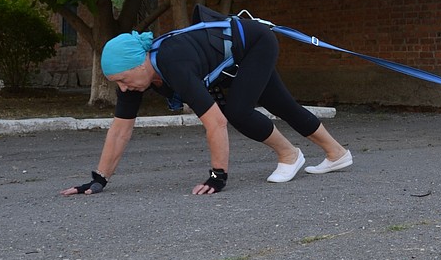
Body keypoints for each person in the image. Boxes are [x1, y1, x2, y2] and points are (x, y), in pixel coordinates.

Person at [60, 13, 352, 196]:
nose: (122, 88)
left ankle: (290, 155)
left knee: (237, 111)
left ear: (139, 63)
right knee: (282, 104)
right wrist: (99, 179)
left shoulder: (173, 63)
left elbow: (216, 122)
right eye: (116, 83)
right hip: (233, 59)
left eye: (123, 79)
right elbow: (120, 131)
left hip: (255, 44)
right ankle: (336, 153)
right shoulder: (135, 78)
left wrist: (218, 176)